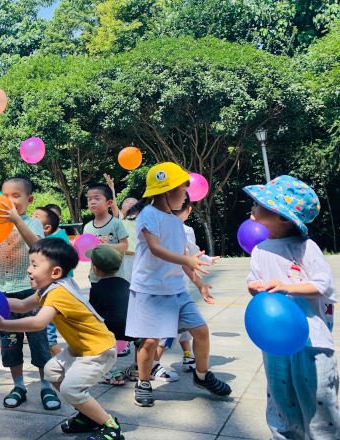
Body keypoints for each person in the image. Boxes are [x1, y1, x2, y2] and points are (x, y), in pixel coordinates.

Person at [0, 238, 122, 440]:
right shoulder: (51, 288)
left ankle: (110, 426)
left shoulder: (59, 293)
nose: (29, 270)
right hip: (82, 349)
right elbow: (21, 306)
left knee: (71, 389)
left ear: (55, 272)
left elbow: (38, 323)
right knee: (52, 371)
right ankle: (88, 415)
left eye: (35, 265)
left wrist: (3, 325)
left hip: (98, 350)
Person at [125, 163, 231, 408]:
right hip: (150, 290)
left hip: (177, 291)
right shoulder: (148, 214)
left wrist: (200, 283)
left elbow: (184, 258)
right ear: (166, 191)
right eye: (183, 190)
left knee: (201, 330)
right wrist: (187, 259)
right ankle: (143, 382)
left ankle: (202, 376)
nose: (185, 195)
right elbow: (155, 248)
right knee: (150, 342)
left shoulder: (175, 222)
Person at [245, 175, 340, 439]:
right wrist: (254, 287)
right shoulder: (260, 250)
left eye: (261, 202)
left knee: (319, 398)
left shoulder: (306, 247)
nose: (253, 204)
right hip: (275, 340)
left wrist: (288, 287)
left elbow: (324, 285)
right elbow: (254, 281)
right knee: (280, 396)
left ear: (283, 217)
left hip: (312, 339)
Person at [0, 178, 60, 411]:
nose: (9, 200)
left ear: (29, 200)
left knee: (39, 340)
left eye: (16, 196)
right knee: (10, 342)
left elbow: (38, 246)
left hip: (30, 290)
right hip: (3, 292)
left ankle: (46, 386)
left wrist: (16, 221)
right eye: (5, 195)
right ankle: (18, 385)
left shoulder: (32, 223)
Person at [155, 198, 220, 375]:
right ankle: (151, 366)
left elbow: (186, 255)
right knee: (167, 332)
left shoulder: (156, 227)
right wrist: (207, 261)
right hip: (174, 288)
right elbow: (192, 252)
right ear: (189, 210)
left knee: (187, 327)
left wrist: (200, 283)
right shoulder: (184, 230)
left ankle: (192, 362)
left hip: (168, 286)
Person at [87, 245, 131, 387]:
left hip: (110, 331)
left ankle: (109, 369)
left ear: (95, 268)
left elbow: (94, 314)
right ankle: (137, 367)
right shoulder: (126, 283)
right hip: (131, 330)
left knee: (93, 329)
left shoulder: (97, 288)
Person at [32, 205, 70, 357]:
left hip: (53, 288)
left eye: (36, 217)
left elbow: (38, 322)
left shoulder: (53, 244)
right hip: (49, 288)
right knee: (49, 336)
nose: (32, 218)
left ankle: (63, 368)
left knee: (49, 337)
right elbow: (23, 305)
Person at [84, 183, 129, 283]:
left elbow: (125, 245)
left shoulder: (116, 223)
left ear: (109, 203)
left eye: (97, 198)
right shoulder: (87, 227)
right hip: (95, 279)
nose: (92, 202)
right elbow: (88, 253)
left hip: (116, 276)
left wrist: (107, 246)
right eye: (89, 199)